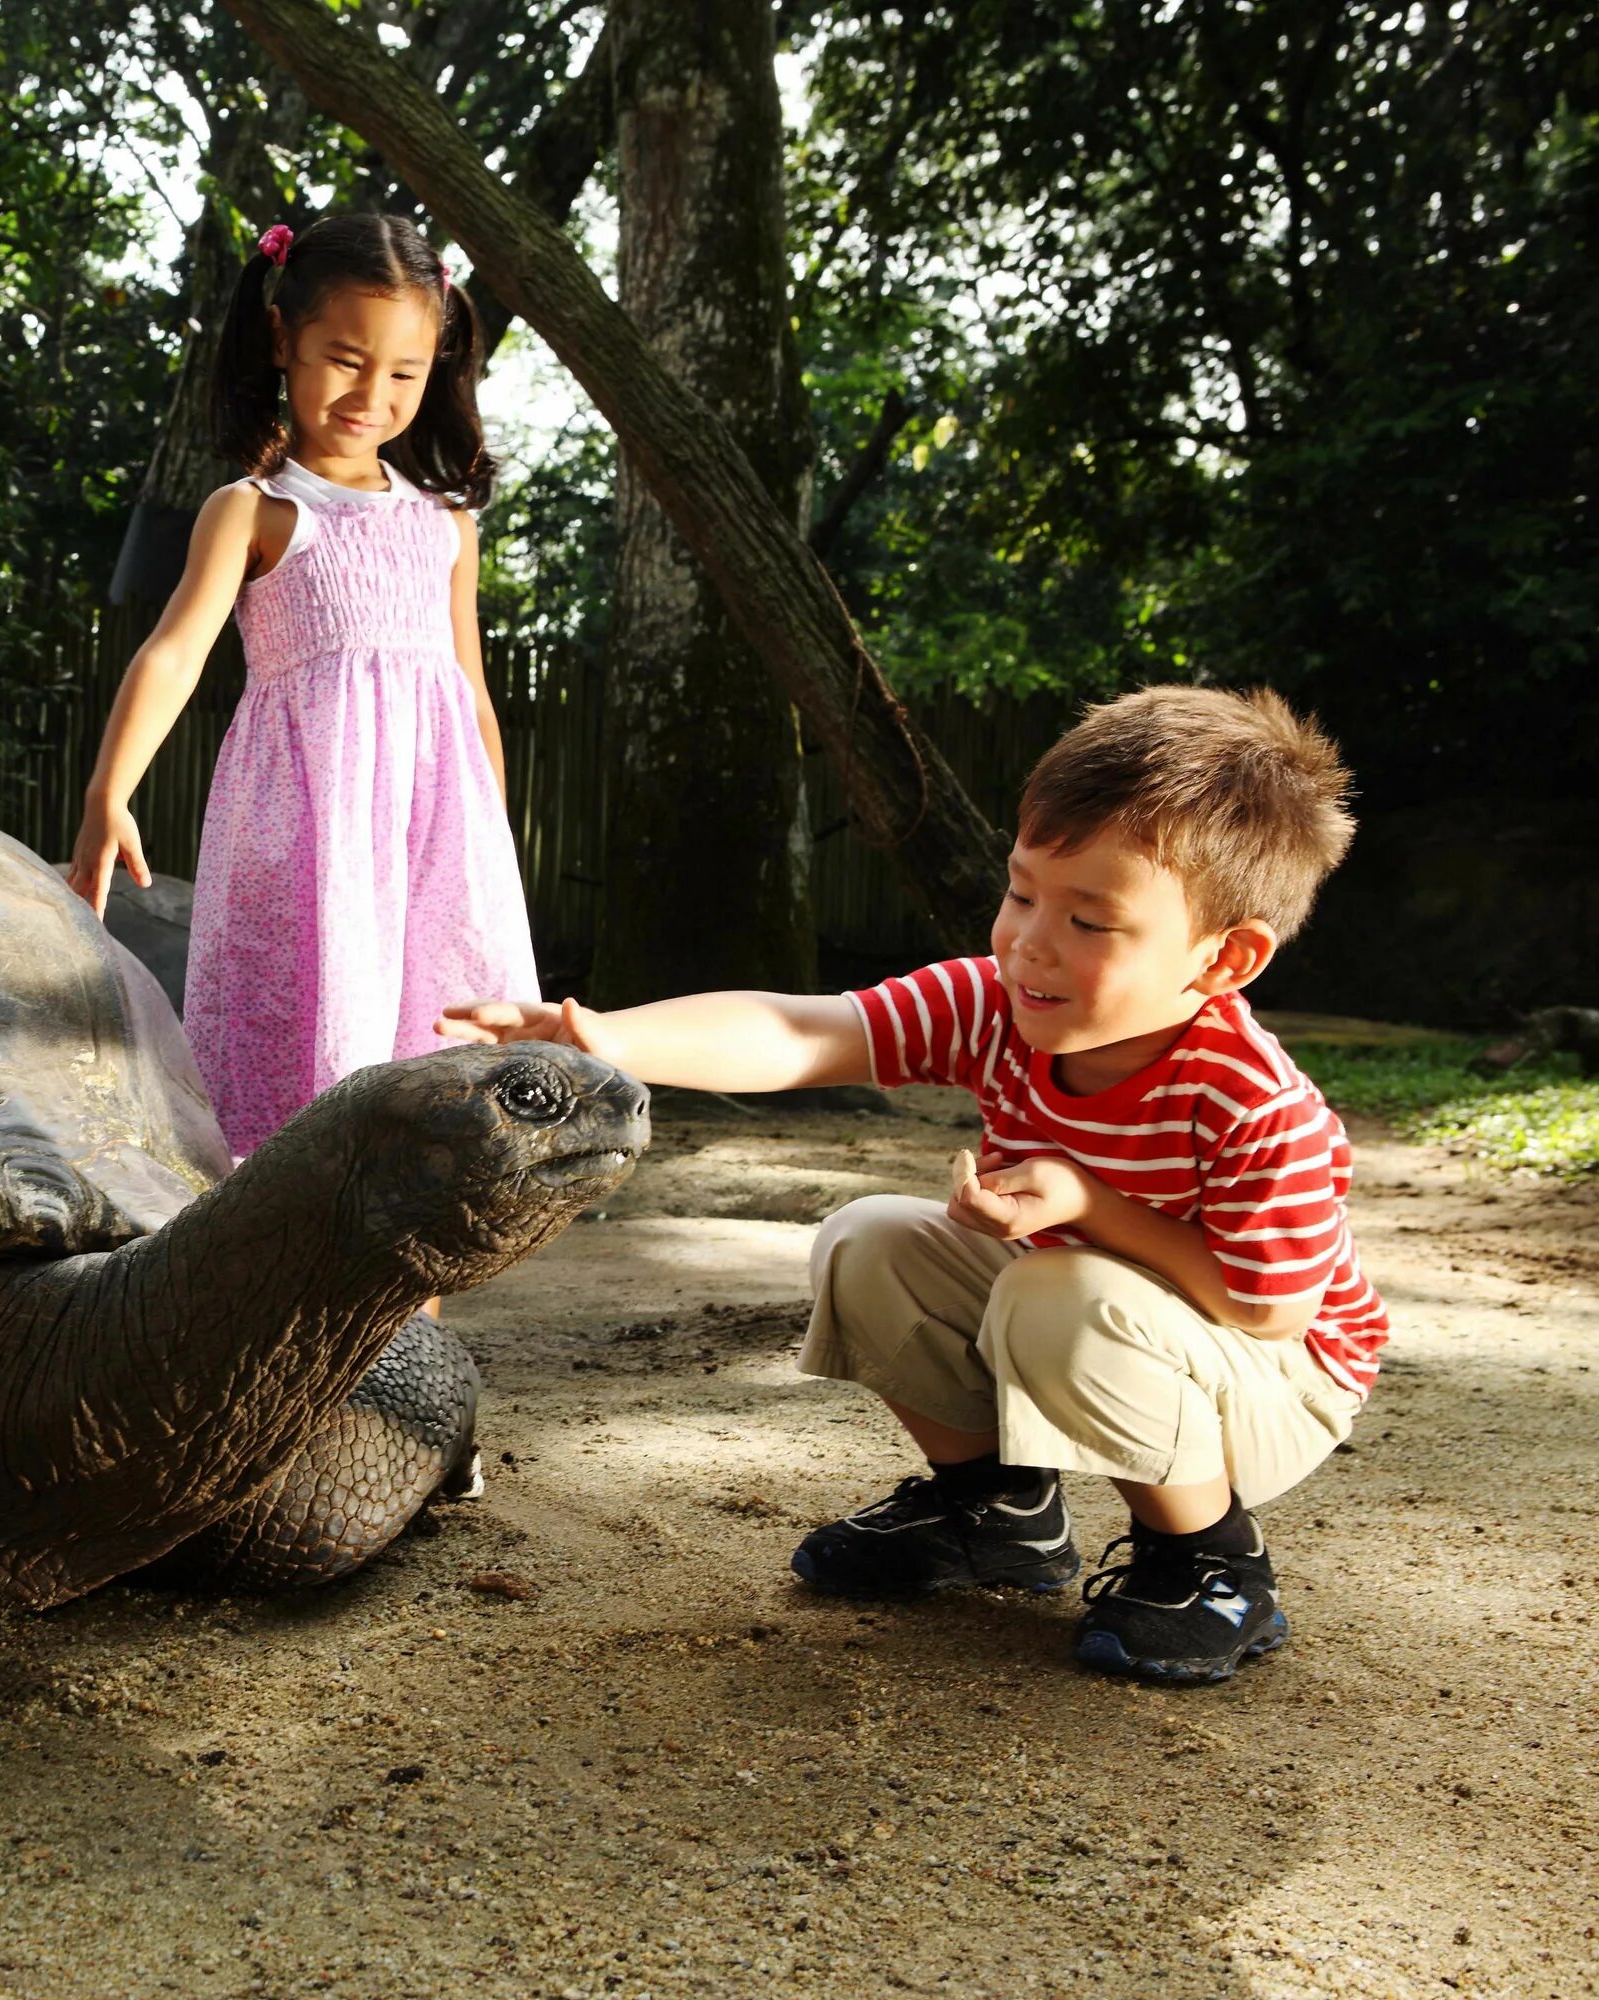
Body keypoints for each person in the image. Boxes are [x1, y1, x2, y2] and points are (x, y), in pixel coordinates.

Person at [441, 687, 1381, 1685]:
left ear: (1223, 956)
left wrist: (1089, 1203)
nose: (1030, 940)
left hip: (1276, 1382)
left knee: (1051, 1292)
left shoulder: (1245, 1094)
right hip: (1100, 1317)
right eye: (1022, 892)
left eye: (1090, 920)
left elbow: (1266, 1306)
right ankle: (995, 1507)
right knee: (870, 1239)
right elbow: (812, 1031)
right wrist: (611, 1037)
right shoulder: (998, 1006)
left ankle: (1209, 1560)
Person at [68, 213, 537, 1163]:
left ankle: (418, 1307)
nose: (373, 393)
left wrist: (492, 849)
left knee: (436, 1082)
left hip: (430, 847)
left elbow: (470, 693)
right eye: (345, 359)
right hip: (307, 842)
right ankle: (287, 1294)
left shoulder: (447, 526)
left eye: (405, 373)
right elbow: (174, 653)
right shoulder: (256, 511)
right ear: (284, 339)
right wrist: (106, 794)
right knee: (305, 1071)